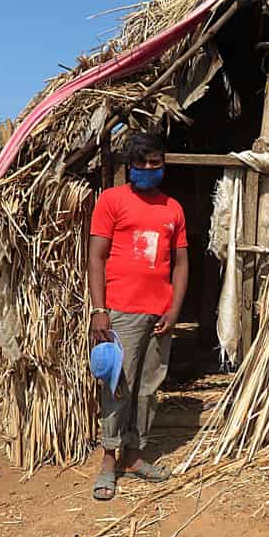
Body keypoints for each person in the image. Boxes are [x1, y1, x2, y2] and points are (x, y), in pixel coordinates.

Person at [88, 133, 188, 501]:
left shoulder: (172, 208)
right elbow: (96, 257)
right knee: (119, 385)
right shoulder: (112, 201)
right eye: (142, 163)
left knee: (148, 388)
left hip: (159, 312)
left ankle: (134, 456)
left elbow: (181, 263)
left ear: (163, 164)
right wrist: (100, 310)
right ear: (130, 166)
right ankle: (108, 461)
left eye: (155, 162)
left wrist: (174, 309)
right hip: (121, 312)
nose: (148, 168)